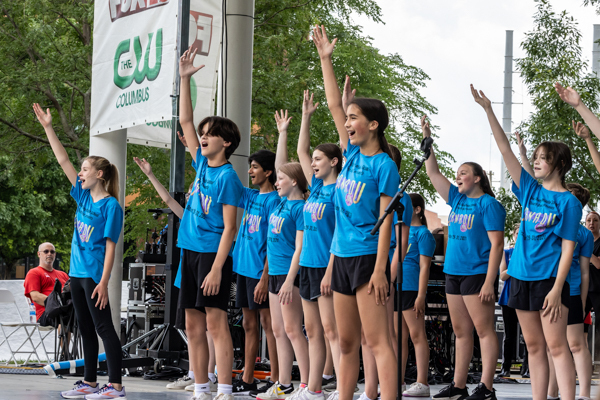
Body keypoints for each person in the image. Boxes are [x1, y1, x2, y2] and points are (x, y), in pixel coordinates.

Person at [472, 84, 581, 400]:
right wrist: (489, 109)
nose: (535, 162)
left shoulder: (568, 203)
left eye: (542, 158)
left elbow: (568, 250)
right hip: (519, 277)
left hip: (549, 281)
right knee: (533, 346)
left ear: (558, 163)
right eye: (535, 157)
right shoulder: (530, 191)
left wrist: (559, 288)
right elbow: (506, 150)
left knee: (556, 346)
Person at [313, 25, 399, 400]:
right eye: (346, 119)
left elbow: (387, 223)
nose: (346, 123)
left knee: (377, 341)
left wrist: (381, 268)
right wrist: (325, 59)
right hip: (343, 257)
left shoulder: (383, 166)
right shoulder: (347, 160)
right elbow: (333, 103)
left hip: (367, 259)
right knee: (347, 343)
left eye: (353, 118)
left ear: (373, 124)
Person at [33, 104, 125, 399]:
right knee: (85, 328)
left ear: (99, 174)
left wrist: (104, 282)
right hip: (77, 273)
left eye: (85, 169)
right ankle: (90, 382)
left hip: (95, 275)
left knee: (104, 328)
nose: (80, 173)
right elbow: (62, 161)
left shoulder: (110, 206)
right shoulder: (83, 196)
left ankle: (116, 385)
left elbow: (112, 247)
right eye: (81, 169)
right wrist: (48, 127)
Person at [421, 115, 505, 400]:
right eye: (456, 172)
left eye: (464, 172)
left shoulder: (488, 204)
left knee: (483, 330)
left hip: (477, 273)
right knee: (460, 330)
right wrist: (428, 139)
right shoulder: (456, 200)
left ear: (478, 178)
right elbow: (433, 174)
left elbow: (496, 245)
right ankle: (459, 386)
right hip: (453, 272)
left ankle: (487, 388)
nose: (458, 176)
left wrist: (488, 282)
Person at [179, 47, 244, 400]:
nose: (202, 136)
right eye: (202, 133)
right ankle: (200, 385)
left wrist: (218, 269)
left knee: (216, 322)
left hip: (212, 255)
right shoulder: (203, 166)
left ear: (227, 142)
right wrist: (185, 79)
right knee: (192, 323)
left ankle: (225, 387)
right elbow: (186, 122)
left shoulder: (229, 179)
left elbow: (231, 229)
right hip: (189, 251)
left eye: (210, 133)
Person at [293, 90, 342, 400]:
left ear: (334, 162)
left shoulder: (340, 190)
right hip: (308, 266)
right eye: (313, 161)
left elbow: (340, 235)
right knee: (312, 331)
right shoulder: (314, 190)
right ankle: (313, 389)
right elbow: (300, 151)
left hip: (328, 267)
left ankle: (341, 387)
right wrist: (306, 117)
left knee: (331, 330)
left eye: (319, 160)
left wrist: (330, 272)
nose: (312, 163)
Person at [257, 116, 308, 400]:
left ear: (295, 182)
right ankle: (284, 384)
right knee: (277, 330)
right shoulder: (279, 202)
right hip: (275, 272)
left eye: (282, 179)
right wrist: (282, 133)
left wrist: (289, 280)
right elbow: (280, 164)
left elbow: (299, 247)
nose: (277, 182)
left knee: (292, 329)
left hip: (291, 274)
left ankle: (306, 385)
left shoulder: (300, 208)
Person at [232, 149, 281, 395]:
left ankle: (276, 377)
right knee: (248, 325)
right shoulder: (251, 196)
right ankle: (247, 377)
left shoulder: (275, 201)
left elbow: (274, 243)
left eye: (254, 167)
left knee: (268, 324)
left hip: (261, 272)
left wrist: (265, 278)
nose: (250, 171)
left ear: (268, 171)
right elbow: (229, 182)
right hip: (242, 268)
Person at [547, 183, 593, 400]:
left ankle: (584, 394)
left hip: (572, 292)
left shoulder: (584, 234)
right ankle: (551, 392)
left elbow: (585, 272)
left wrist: (582, 302)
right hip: (546, 290)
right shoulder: (551, 225)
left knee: (576, 344)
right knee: (551, 345)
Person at [400, 193, 436, 397]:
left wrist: (421, 295)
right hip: (396, 287)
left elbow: (425, 267)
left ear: (417, 209)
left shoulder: (423, 234)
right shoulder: (400, 230)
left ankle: (422, 382)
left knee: (416, 335)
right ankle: (399, 380)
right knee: (398, 336)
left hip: (412, 288)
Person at [24, 242, 69, 327]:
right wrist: (59, 304)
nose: (49, 254)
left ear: (55, 254)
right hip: (45, 313)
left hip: (65, 310)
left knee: (86, 317)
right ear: (39, 254)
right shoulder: (34, 273)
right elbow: (35, 296)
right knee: (65, 319)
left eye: (52, 252)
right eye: (46, 251)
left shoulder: (63, 275)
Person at [497, 224, 521, 378]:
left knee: (528, 336)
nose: (519, 235)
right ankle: (505, 368)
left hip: (526, 297)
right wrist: (516, 265)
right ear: (513, 235)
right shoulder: (507, 252)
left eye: (522, 233)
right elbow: (502, 275)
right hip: (508, 298)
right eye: (517, 232)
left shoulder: (530, 252)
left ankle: (527, 368)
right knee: (509, 334)